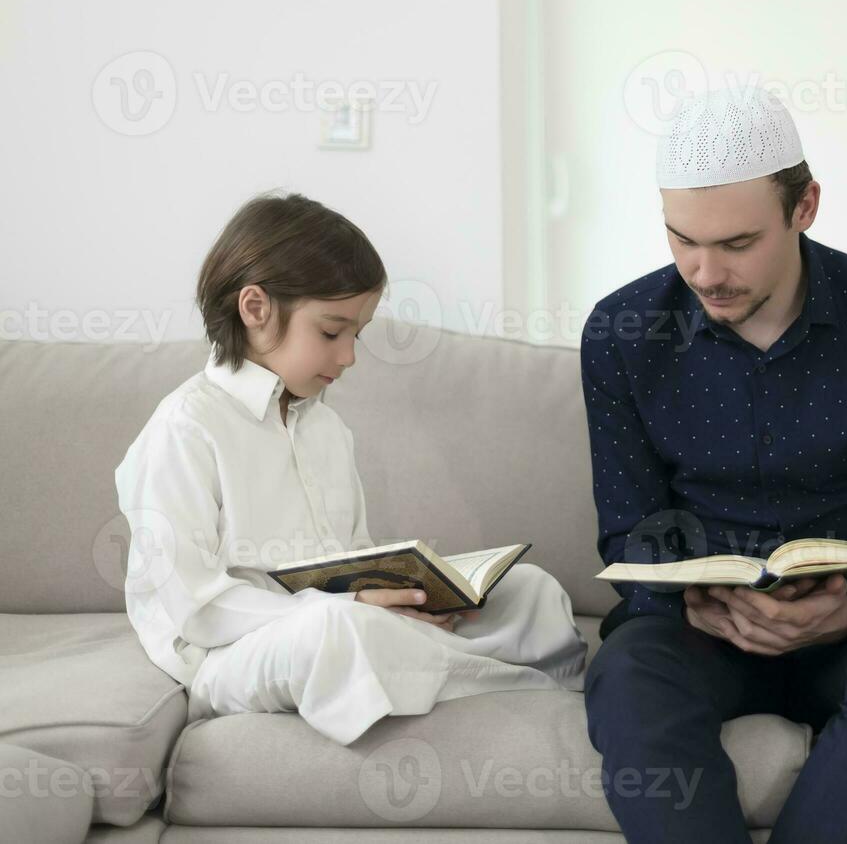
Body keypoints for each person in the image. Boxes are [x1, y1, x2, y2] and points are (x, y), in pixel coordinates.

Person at [580, 87, 847, 843]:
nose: (704, 271)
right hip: (702, 632)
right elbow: (629, 538)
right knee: (629, 671)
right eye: (681, 240)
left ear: (805, 208)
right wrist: (695, 605)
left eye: (736, 244)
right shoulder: (621, 333)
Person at [116, 192, 586, 745]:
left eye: (356, 335)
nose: (348, 357)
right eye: (331, 332)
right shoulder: (185, 429)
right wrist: (355, 606)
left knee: (527, 588)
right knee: (337, 630)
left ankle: (470, 675)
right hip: (235, 654)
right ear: (256, 308)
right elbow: (198, 610)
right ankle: (506, 683)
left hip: (345, 620)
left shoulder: (326, 429)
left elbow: (351, 560)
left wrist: (401, 594)